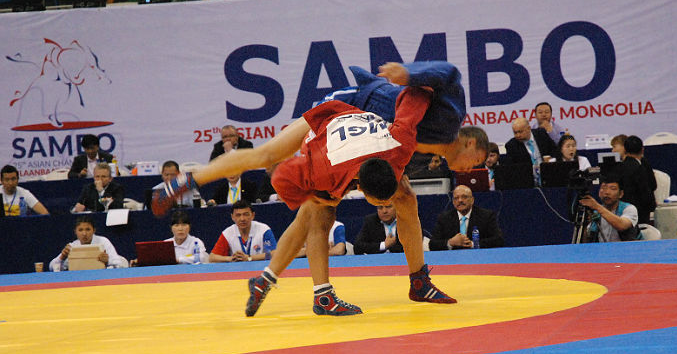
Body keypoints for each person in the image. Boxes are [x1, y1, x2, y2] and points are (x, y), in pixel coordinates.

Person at [155, 62, 488, 316]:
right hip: (349, 115)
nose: (473, 169)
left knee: (393, 200)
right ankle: (328, 293)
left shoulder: (414, 144)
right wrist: (409, 74)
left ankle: (272, 275)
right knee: (308, 194)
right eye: (477, 160)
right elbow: (447, 73)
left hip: (361, 133)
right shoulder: (450, 117)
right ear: (471, 141)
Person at [428, 185, 503, 250]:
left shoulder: (486, 216)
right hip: (452, 260)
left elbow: (498, 240)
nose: (460, 200)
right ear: (453, 202)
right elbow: (432, 244)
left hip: (479, 258)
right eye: (456, 198)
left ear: (472, 200)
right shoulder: (444, 218)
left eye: (464, 197)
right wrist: (450, 242)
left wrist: (473, 244)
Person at [49, 215, 127, 271]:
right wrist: (62, 257)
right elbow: (51, 267)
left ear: (94, 230)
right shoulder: (72, 246)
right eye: (80, 230)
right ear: (75, 232)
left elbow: (120, 265)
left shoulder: (103, 242)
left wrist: (108, 261)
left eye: (88, 229)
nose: (84, 233)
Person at [209, 200, 277, 263]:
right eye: (238, 215)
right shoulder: (227, 233)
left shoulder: (264, 230)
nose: (242, 219)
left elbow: (274, 254)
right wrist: (231, 258)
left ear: (253, 215)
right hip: (237, 272)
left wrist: (249, 258)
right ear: (232, 217)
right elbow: (212, 258)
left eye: (246, 214)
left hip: (261, 270)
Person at [578, 175, 641, 242]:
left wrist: (597, 206)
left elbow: (622, 225)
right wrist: (585, 225)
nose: (607, 192)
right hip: (603, 250)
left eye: (612, 188)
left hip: (626, 250)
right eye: (604, 188)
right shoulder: (596, 213)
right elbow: (586, 242)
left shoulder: (629, 209)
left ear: (621, 194)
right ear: (599, 193)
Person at [504, 117, 558, 185]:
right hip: (527, 182)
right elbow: (513, 169)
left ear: (529, 128)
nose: (518, 135)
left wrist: (551, 160)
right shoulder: (511, 145)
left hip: (548, 176)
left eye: (520, 132)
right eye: (515, 132)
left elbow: (555, 150)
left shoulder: (541, 134)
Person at [616, 135, 657, 225]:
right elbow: (650, 187)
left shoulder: (619, 167)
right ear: (642, 150)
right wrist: (652, 206)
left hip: (623, 212)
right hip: (640, 213)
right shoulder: (640, 167)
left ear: (625, 150)